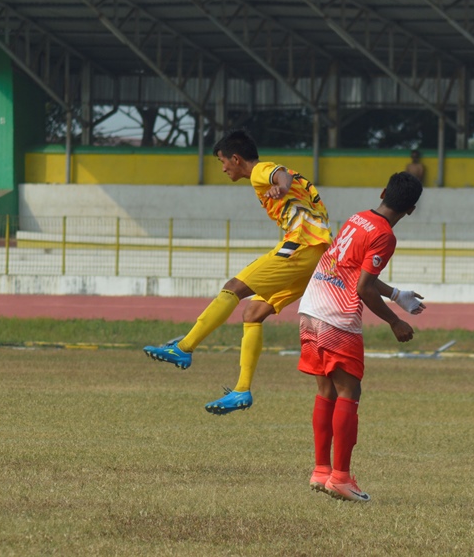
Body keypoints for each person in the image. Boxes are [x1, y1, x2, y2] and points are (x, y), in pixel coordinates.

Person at [144, 130, 332, 415]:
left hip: (301, 245)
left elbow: (279, 174)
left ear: (235, 158)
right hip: (317, 256)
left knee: (233, 287)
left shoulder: (260, 171)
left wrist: (280, 186)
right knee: (253, 313)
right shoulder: (274, 175)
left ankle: (183, 347)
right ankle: (242, 390)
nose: (223, 169)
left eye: (223, 162)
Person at [298, 172, 425, 502]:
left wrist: (397, 294)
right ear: (411, 209)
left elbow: (352, 269)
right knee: (349, 389)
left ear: (383, 192)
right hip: (337, 316)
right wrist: (395, 322)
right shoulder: (385, 235)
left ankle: (321, 471)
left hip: (311, 305)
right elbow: (364, 288)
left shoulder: (358, 218)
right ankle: (340, 478)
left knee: (326, 388)